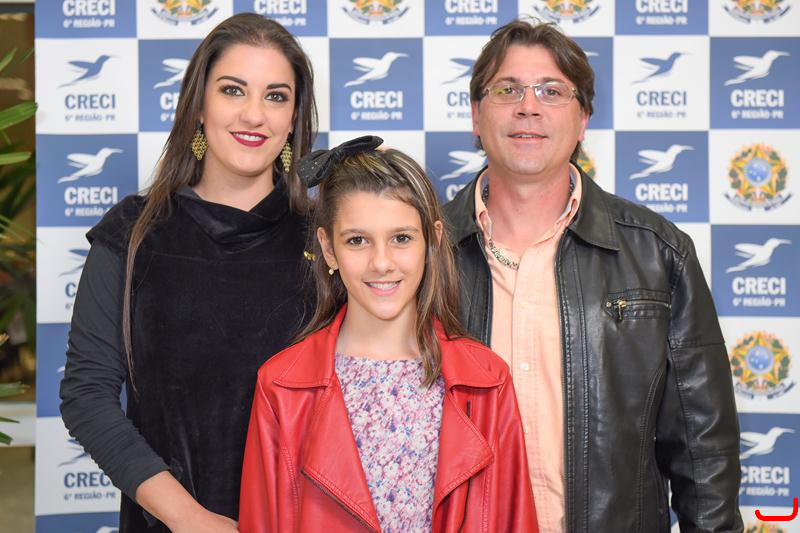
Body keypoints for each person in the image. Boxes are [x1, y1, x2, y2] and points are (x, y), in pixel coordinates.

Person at [442, 19, 743, 533]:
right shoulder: (422, 253)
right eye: (507, 89)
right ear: (476, 114)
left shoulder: (658, 252)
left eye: (552, 91)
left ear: (583, 119)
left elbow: (704, 452)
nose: (528, 106)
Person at [59, 13, 317, 532]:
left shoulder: (327, 240)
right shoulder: (133, 233)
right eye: (232, 90)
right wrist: (190, 519)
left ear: (293, 118)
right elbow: (87, 396)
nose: (254, 114)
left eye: (275, 96)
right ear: (199, 105)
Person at [238, 137, 537, 533]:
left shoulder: (488, 382)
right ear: (328, 249)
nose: (381, 262)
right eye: (357, 240)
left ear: (431, 240)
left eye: (401, 238)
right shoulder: (280, 388)